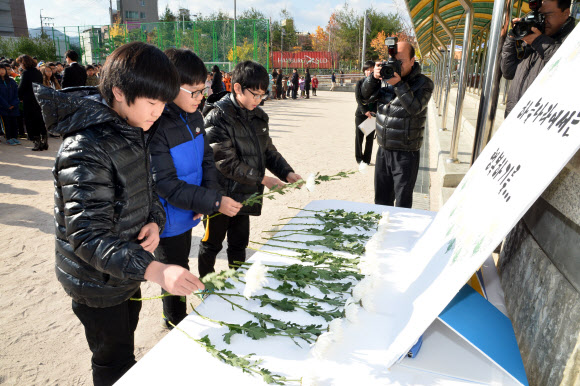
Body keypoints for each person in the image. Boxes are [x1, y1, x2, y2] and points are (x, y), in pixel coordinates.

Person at [34, 42, 205, 386]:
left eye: (163, 103)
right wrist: (156, 268)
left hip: (126, 268)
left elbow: (147, 188)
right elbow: (87, 237)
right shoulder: (85, 147)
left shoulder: (133, 126)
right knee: (113, 360)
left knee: (126, 345)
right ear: (119, 92)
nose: (158, 112)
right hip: (95, 281)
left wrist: (155, 220)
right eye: (152, 103)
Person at [149, 49, 242, 329]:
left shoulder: (195, 117)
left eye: (204, 90)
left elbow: (206, 162)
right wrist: (212, 202)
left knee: (181, 264)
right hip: (166, 217)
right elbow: (165, 184)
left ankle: (176, 315)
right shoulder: (156, 125)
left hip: (190, 209)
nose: (201, 97)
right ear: (169, 87)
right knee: (175, 270)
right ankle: (174, 319)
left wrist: (206, 199)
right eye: (194, 91)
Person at [197, 60, 302, 278]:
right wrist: (263, 180)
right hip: (220, 195)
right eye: (255, 94)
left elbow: (268, 151)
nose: (259, 100)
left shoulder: (259, 116)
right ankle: (206, 285)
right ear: (237, 88)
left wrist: (286, 172)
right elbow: (225, 162)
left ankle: (238, 283)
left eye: (262, 95)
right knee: (211, 244)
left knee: (239, 244)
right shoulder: (217, 117)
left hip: (245, 194)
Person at [361, 42, 433, 208]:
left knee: (402, 204)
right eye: (392, 61)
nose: (395, 66)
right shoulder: (384, 79)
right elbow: (364, 96)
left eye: (400, 62)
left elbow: (415, 108)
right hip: (383, 150)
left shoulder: (424, 83)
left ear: (412, 60)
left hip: (406, 154)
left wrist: (399, 85)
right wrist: (372, 78)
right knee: (380, 202)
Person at [501, 0, 575, 117]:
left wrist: (539, 42)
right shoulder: (533, 39)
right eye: (539, 15)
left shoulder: (574, 40)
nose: (542, 20)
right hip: (512, 118)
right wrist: (512, 37)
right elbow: (508, 72)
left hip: (540, 123)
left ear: (566, 13)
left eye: (548, 15)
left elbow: (569, 71)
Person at [17, 54, 47, 151]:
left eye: (21, 63)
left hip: (29, 100)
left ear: (24, 63)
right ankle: (44, 141)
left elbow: (21, 88)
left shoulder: (26, 73)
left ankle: (36, 142)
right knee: (39, 120)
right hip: (38, 99)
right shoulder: (37, 72)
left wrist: (19, 96)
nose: (20, 65)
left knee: (30, 121)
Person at [354, 61, 377, 165]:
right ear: (364, 71)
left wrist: (373, 111)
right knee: (359, 137)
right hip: (361, 114)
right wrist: (365, 111)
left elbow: (379, 99)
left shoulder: (378, 83)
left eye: (372, 70)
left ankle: (367, 159)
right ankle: (359, 159)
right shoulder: (360, 83)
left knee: (370, 139)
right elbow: (358, 98)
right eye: (367, 70)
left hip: (372, 115)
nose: (369, 72)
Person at [0, 63, 21, 145]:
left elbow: (16, 94)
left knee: (14, 123)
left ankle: (14, 137)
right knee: (6, 123)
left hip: (13, 106)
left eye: (3, 69)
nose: (1, 71)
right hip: (3, 107)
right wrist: (6, 105)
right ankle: (8, 138)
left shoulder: (11, 81)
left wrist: (13, 104)